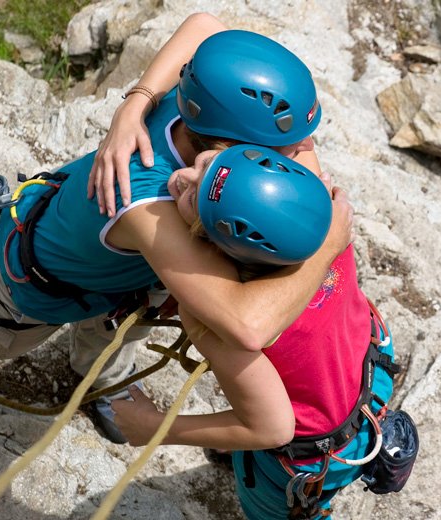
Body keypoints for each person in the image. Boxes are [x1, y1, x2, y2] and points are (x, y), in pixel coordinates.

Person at [0, 15, 341, 446]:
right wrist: (331, 239)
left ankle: (101, 380)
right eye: (289, 144)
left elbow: (204, 25)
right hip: (35, 281)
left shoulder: (201, 107)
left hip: (122, 281)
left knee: (117, 335)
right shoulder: (146, 201)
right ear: (232, 144)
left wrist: (135, 103)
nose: (304, 149)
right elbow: (247, 325)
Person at [111, 145, 398, 520]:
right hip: (369, 377)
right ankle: (235, 448)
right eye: (204, 162)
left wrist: (156, 428)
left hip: (314, 454)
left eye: (193, 196)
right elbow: (302, 144)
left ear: (213, 247)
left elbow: (271, 428)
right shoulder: (320, 216)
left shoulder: (215, 327)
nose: (182, 177)